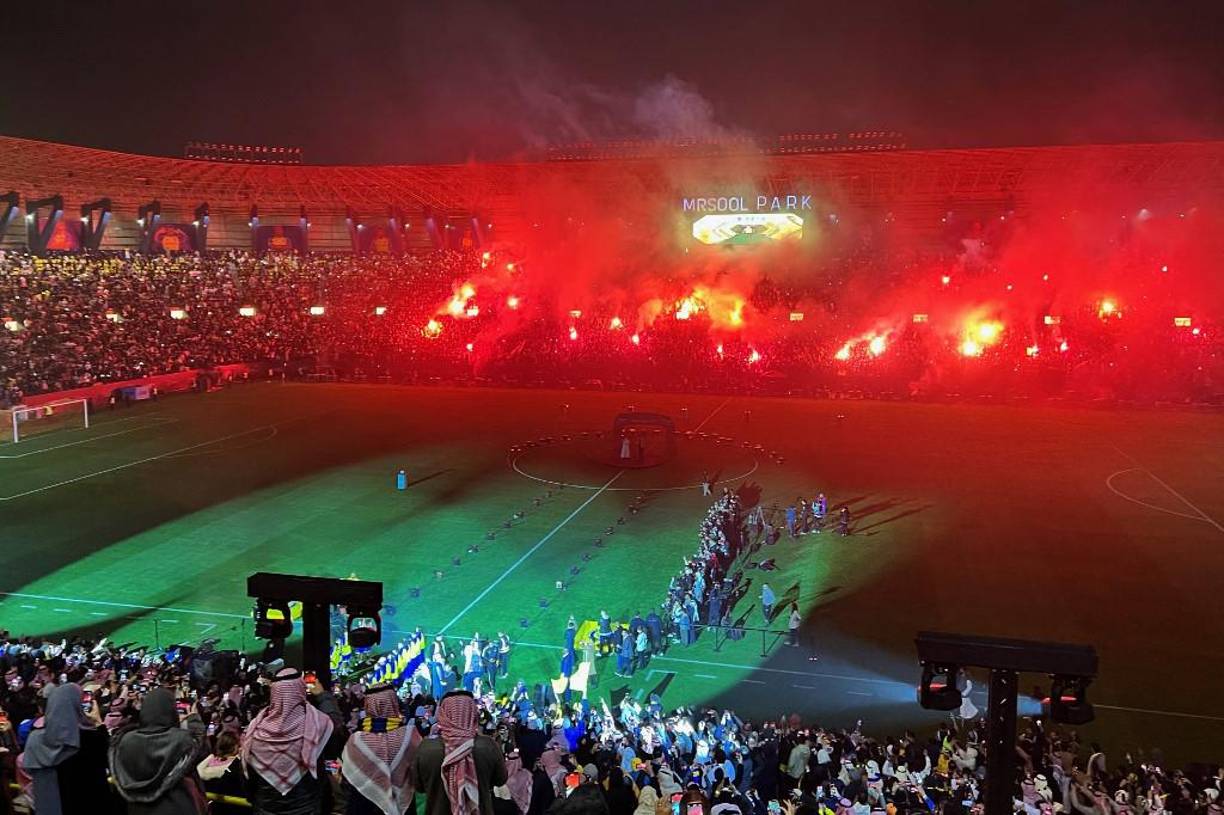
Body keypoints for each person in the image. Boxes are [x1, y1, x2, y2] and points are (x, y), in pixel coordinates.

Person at [241, 667, 336, 814]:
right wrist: (323, 696)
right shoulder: (316, 726)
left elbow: (249, 783)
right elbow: (335, 727)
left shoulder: (254, 731)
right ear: (300, 689)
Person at [20, 683, 115, 815]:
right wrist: (98, 723)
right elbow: (110, 762)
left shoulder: (35, 739)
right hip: (91, 805)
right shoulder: (92, 738)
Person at [109, 687, 206, 814]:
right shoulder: (180, 739)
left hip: (137, 809)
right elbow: (199, 750)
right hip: (176, 808)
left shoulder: (126, 740)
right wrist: (193, 719)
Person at [414, 691, 507, 815]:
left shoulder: (426, 747)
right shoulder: (489, 746)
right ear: (473, 714)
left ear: (443, 714)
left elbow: (418, 786)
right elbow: (500, 779)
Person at [341, 683, 421, 815]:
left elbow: (347, 778)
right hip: (401, 808)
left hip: (363, 807)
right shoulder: (410, 736)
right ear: (394, 703)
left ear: (367, 705)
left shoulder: (356, 740)